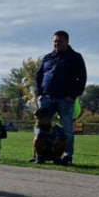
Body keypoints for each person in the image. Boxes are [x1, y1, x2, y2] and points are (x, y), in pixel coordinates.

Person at [35, 30, 87, 165]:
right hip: (46, 98)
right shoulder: (47, 57)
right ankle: (40, 155)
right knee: (41, 127)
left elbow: (82, 78)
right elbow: (38, 76)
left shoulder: (75, 57)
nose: (56, 44)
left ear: (67, 42)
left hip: (65, 99)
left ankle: (67, 156)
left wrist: (73, 95)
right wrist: (39, 94)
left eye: (60, 41)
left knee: (67, 129)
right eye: (55, 42)